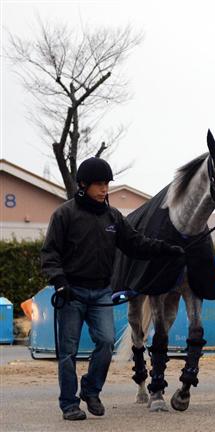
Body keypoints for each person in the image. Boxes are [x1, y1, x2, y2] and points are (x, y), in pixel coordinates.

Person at [41, 157, 184, 421]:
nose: (104, 189)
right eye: (99, 184)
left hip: (100, 294)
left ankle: (91, 390)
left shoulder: (113, 217)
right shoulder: (64, 214)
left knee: (106, 343)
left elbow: (136, 244)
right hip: (71, 293)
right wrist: (59, 283)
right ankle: (69, 404)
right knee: (68, 352)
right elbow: (49, 254)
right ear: (83, 185)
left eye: (106, 183)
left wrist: (166, 250)